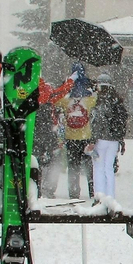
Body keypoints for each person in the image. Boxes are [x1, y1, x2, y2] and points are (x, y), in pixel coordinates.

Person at [40, 62, 96, 199]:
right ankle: (93, 190)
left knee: (73, 167)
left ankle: (74, 192)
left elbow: (54, 99)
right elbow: (97, 98)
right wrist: (91, 86)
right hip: (86, 136)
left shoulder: (65, 101)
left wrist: (67, 83)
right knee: (89, 167)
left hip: (71, 138)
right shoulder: (89, 100)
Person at [92, 72, 128, 200]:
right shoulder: (118, 102)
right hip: (114, 141)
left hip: (101, 139)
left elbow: (98, 122)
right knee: (109, 169)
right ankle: (110, 197)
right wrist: (120, 140)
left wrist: (92, 139)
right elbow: (123, 122)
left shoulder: (100, 102)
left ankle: (100, 197)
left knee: (98, 169)